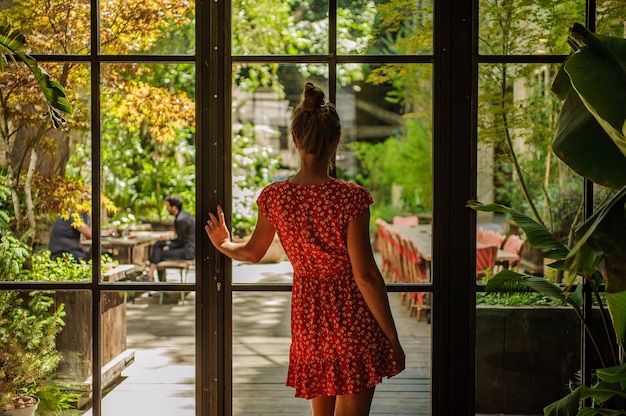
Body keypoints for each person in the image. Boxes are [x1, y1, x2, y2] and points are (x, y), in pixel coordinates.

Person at [205, 83, 405, 416]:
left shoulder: (275, 197)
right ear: (336, 140)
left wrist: (223, 243)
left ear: (295, 140)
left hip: (308, 320)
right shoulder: (351, 198)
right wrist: (392, 337)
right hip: (350, 317)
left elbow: (253, 253)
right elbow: (366, 275)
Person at [144, 194, 195, 281]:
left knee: (158, 254)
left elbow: (181, 241)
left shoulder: (181, 220)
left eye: (167, 206)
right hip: (187, 248)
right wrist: (167, 240)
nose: (166, 209)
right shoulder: (183, 216)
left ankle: (154, 279)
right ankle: (151, 276)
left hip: (188, 252)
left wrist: (169, 246)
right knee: (158, 244)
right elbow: (181, 239)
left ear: (174, 207)